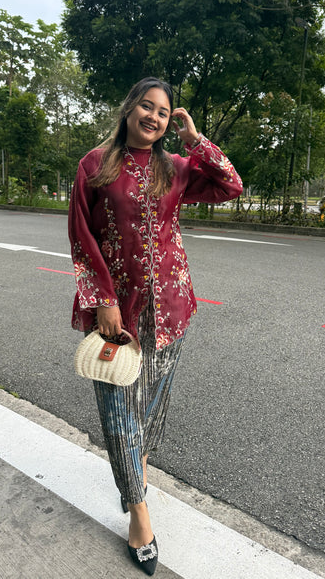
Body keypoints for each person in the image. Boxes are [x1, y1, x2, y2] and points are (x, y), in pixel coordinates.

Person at [68, 76, 242, 575]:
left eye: (163, 112)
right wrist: (102, 300)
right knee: (118, 409)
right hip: (117, 313)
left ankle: (136, 467)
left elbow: (230, 186)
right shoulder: (94, 165)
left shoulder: (176, 168)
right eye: (147, 106)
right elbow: (81, 236)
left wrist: (196, 141)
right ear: (129, 109)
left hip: (171, 306)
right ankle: (138, 510)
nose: (154, 117)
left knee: (151, 407)